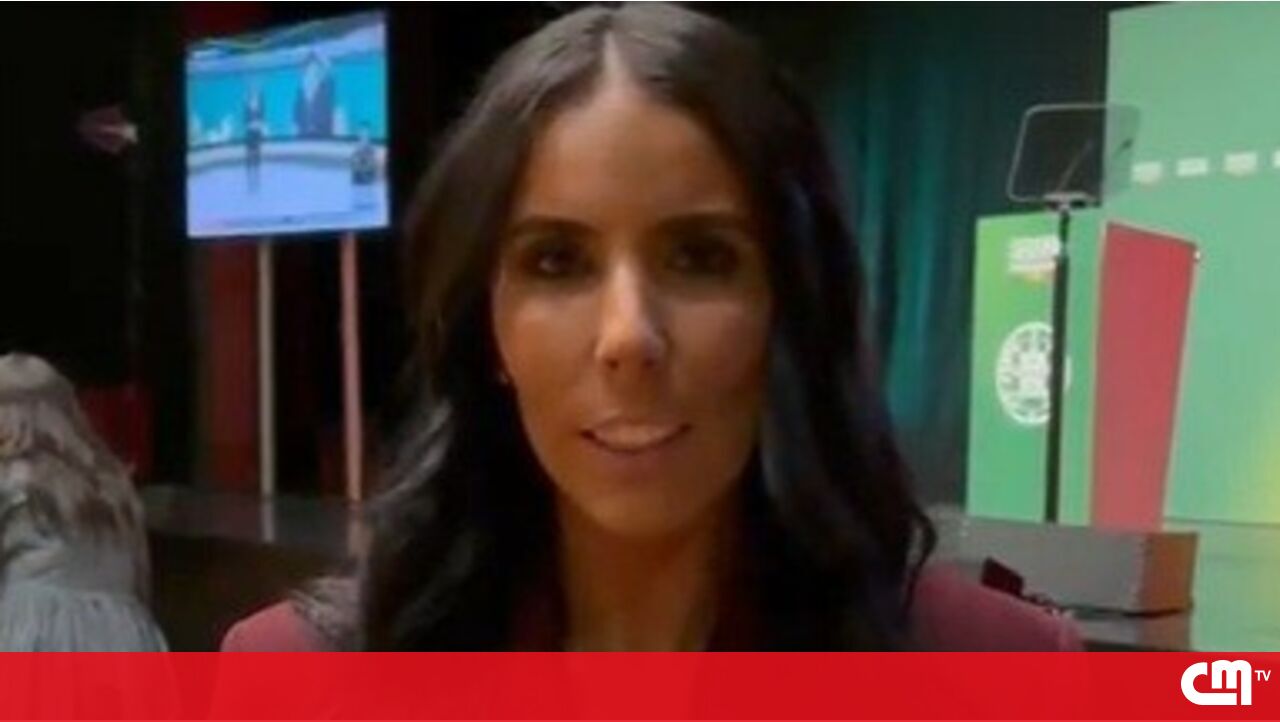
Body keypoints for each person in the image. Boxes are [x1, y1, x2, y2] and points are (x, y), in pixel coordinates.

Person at [224, 3, 1081, 652]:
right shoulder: (297, 680)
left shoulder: (997, 668)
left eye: (701, 258)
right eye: (557, 262)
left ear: (789, 302)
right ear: (487, 326)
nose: (629, 336)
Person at [0, 353, 167, 651]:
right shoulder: (112, 484)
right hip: (121, 636)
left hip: (33, 634)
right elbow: (141, 579)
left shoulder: (10, 478)